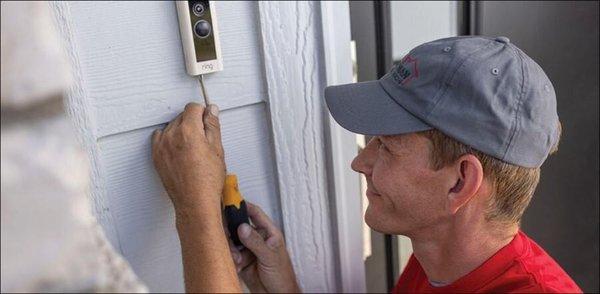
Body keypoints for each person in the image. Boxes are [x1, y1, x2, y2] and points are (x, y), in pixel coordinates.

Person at [151, 36, 582, 293]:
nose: (360, 161)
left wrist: (195, 210)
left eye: (386, 147)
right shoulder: (440, 260)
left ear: (460, 183)